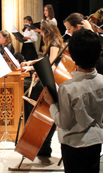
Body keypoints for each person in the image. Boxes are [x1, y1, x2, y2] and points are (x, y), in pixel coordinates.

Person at [43, 29, 103, 173]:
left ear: (72, 55)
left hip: (73, 144)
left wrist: (52, 104)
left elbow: (63, 122)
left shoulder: (67, 88)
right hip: (95, 141)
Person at [20, 20, 64, 157]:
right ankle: (33, 138)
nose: (41, 35)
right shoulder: (53, 42)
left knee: (28, 92)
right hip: (48, 78)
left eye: (41, 32)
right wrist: (31, 63)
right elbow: (44, 60)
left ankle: (38, 140)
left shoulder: (55, 44)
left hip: (51, 82)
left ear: (47, 32)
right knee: (26, 88)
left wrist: (34, 70)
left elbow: (50, 65)